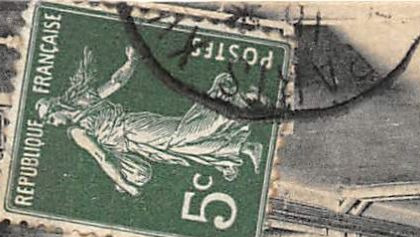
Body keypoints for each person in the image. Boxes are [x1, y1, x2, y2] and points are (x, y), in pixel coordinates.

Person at [37, 46, 263, 199]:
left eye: (50, 119)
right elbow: (116, 82)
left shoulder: (77, 130)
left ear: (56, 108)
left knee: (184, 135)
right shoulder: (83, 103)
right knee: (181, 149)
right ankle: (242, 147)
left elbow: (102, 156)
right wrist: (130, 62)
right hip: (135, 142)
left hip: (135, 129)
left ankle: (238, 104)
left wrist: (127, 186)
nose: (54, 124)